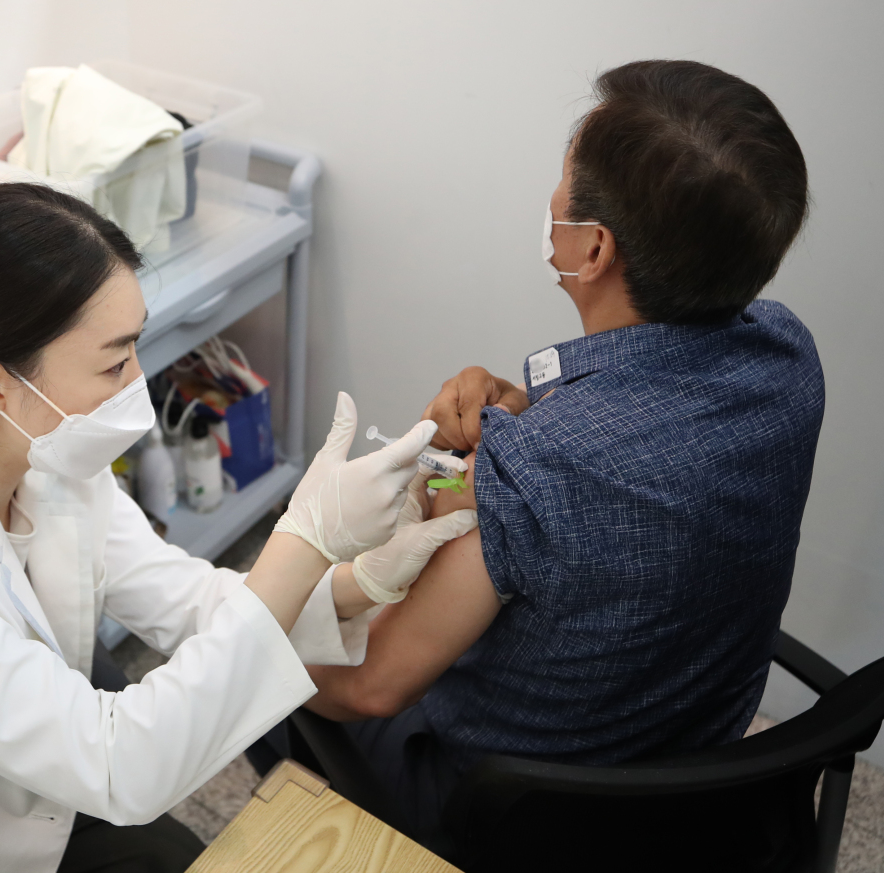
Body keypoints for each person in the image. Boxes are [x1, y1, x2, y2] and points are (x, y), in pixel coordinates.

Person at [0, 183, 477, 873]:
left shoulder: (40, 455)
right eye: (113, 363)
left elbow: (187, 601)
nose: (138, 383)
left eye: (135, 344)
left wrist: (349, 579)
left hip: (17, 812)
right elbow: (118, 761)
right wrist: (301, 538)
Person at [300, 59, 826, 851]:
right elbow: (643, 453)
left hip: (518, 815)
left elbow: (373, 685)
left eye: (563, 179)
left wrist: (240, 632)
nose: (552, 197)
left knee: (266, 691)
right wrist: (518, 413)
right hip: (701, 778)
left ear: (591, 247)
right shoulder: (789, 357)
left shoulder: (538, 469)